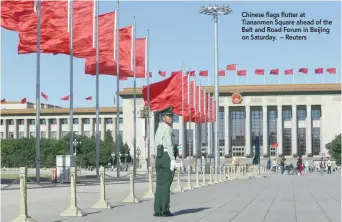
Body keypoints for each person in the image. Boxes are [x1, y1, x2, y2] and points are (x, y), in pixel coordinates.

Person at [152, 107, 176, 217]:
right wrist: (173, 160)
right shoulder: (168, 129)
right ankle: (165, 210)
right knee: (166, 185)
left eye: (171, 116)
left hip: (159, 157)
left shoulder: (159, 128)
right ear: (163, 117)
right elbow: (169, 144)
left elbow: (155, 144)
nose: (171, 118)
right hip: (166, 157)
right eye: (169, 116)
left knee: (159, 185)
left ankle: (157, 210)